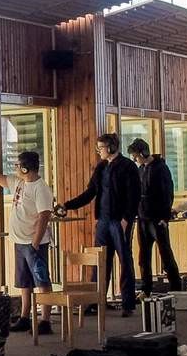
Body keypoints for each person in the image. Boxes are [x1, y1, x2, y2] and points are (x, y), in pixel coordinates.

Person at [55, 133, 140, 316]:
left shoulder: (128, 166)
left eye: (101, 148)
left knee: (125, 261)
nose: (98, 151)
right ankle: (96, 301)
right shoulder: (101, 167)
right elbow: (90, 192)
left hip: (119, 221)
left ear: (111, 148)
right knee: (99, 262)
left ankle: (128, 303)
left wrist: (127, 219)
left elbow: (134, 196)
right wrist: (68, 205)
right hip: (103, 220)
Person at [0, 152, 54, 335]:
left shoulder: (40, 188)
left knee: (41, 280)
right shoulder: (19, 183)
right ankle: (25, 317)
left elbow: (44, 216)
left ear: (25, 169)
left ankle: (45, 320)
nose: (15, 168)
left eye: (18, 166)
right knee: (24, 282)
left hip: (34, 243)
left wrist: (35, 242)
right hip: (20, 241)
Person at [127, 138, 183, 297]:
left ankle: (176, 287)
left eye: (136, 156)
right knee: (144, 256)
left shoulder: (161, 168)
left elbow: (167, 193)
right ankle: (146, 288)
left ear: (143, 153)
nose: (135, 159)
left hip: (157, 218)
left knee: (165, 254)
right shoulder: (141, 169)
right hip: (143, 218)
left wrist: (165, 217)